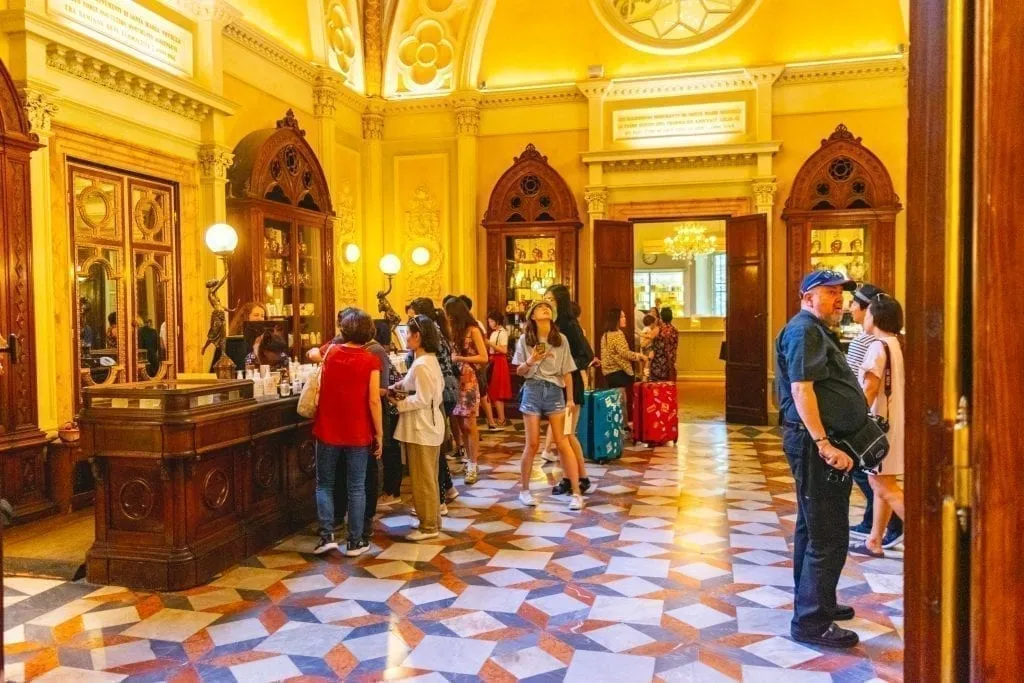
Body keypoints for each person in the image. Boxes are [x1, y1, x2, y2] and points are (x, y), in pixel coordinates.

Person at [775, 270, 866, 649]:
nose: (838, 300)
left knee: (813, 528)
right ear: (806, 297)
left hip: (818, 442)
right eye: (829, 293)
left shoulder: (815, 330)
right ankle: (812, 621)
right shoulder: (805, 330)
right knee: (828, 535)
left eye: (840, 293)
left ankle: (817, 601)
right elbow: (802, 389)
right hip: (816, 446)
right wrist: (825, 443)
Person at [311, 308, 383, 558]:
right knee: (356, 487)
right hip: (358, 430)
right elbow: (374, 400)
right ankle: (355, 541)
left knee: (324, 484)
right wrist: (380, 434)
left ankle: (327, 536)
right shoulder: (370, 360)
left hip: (327, 427)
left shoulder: (329, 353)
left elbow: (313, 354)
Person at [512, 300, 584, 511]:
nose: (545, 309)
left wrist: (570, 399)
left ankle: (576, 493)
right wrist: (532, 360)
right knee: (532, 444)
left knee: (562, 443)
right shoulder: (526, 340)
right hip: (532, 390)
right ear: (532, 316)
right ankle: (524, 490)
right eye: (540, 308)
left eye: (548, 308)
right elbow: (519, 371)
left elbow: (567, 371)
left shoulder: (560, 340)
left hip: (554, 391)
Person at [845, 285, 902, 546]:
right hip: (896, 420)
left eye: (868, 314)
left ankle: (931, 539)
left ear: (875, 318)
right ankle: (874, 541)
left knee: (882, 486)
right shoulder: (898, 343)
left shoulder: (877, 347)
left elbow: (869, 388)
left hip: (880, 424)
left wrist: (854, 422)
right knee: (881, 482)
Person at [389, 315, 445, 541]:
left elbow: (423, 399)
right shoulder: (426, 360)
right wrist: (396, 387)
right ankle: (431, 520)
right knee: (428, 476)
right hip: (427, 426)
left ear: (418, 336)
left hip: (422, 427)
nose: (406, 338)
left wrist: (398, 404)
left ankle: (428, 526)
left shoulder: (422, 364)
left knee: (423, 479)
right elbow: (410, 383)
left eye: (408, 334)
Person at [408, 298, 459, 508]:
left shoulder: (428, 336)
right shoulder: (437, 330)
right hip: (448, 388)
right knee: (436, 445)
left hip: (439, 392)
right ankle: (447, 488)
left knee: (431, 447)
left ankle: (437, 501)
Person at [544, 285, 592, 495]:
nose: (546, 304)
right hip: (555, 387)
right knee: (561, 436)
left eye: (550, 300)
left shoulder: (570, 326)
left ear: (559, 302)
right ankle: (570, 476)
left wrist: (565, 366)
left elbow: (586, 355)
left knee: (568, 434)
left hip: (570, 387)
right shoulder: (551, 326)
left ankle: (580, 477)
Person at [444, 298, 489, 485]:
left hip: (468, 378)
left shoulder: (473, 330)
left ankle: (473, 462)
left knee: (469, 423)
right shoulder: (451, 331)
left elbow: (484, 357)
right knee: (460, 424)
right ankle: (468, 458)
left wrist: (461, 358)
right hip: (455, 379)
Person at [600, 307, 647, 424]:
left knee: (613, 400)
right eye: (622, 316)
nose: (625, 319)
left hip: (608, 372)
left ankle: (615, 425)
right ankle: (622, 425)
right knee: (621, 401)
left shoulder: (605, 335)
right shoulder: (617, 334)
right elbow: (624, 353)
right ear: (616, 319)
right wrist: (639, 356)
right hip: (618, 372)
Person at [482, 311, 512, 430]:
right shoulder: (494, 333)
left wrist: (490, 344)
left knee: (498, 390)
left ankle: (501, 418)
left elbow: (504, 350)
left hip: (499, 361)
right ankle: (500, 418)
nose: (489, 324)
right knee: (493, 390)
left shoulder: (502, 333)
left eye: (491, 321)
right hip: (493, 360)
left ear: (497, 321)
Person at [649, 307, 678, 382]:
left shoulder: (658, 329)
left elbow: (648, 339)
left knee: (658, 387)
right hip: (670, 363)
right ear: (671, 317)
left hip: (658, 362)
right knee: (668, 386)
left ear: (661, 317)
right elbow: (675, 347)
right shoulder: (675, 330)